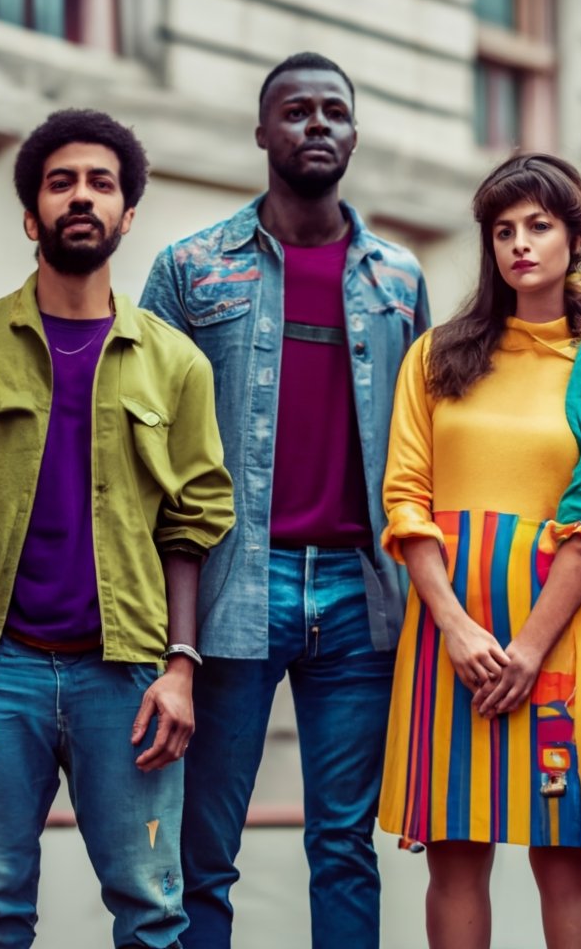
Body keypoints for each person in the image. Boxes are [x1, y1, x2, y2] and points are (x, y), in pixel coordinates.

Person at [139, 51, 430, 948]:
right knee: (203, 852)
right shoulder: (191, 269)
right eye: (295, 111)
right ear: (261, 132)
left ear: (353, 133)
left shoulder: (399, 278)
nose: (316, 126)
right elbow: (143, 441)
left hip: (361, 595)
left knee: (344, 844)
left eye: (333, 112)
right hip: (231, 588)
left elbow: (424, 446)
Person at [0, 109, 234, 948]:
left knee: (151, 913)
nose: (82, 197)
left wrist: (182, 668)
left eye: (101, 183)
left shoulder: (175, 361)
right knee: (1, 915)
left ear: (128, 213)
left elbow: (193, 522)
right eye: (61, 182)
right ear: (31, 212)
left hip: (128, 677)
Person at [379, 153, 581, 949]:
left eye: (539, 226)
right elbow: (405, 497)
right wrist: (457, 628)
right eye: (504, 230)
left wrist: (529, 648)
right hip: (445, 636)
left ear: (575, 240)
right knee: (455, 855)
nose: (521, 244)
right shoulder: (436, 355)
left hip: (559, 638)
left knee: (562, 860)